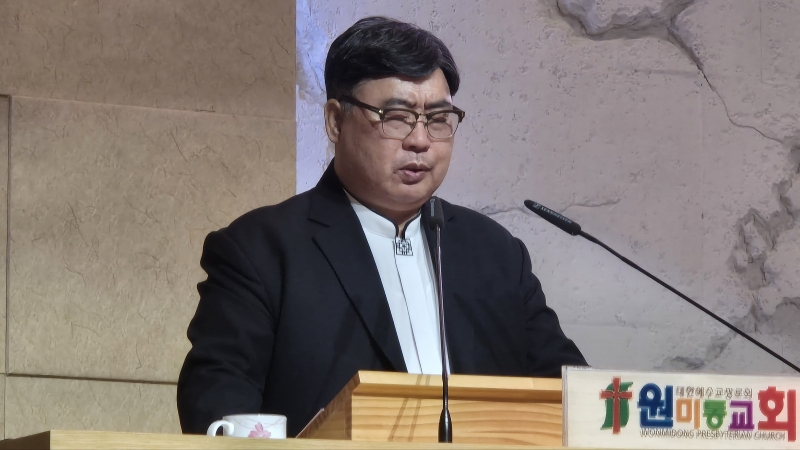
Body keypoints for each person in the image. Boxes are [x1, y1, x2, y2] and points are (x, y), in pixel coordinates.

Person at [177, 16, 586, 437]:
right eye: (396, 116)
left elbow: (576, 395)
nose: (420, 140)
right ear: (336, 121)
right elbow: (217, 402)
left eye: (438, 118)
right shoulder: (262, 249)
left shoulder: (495, 253)